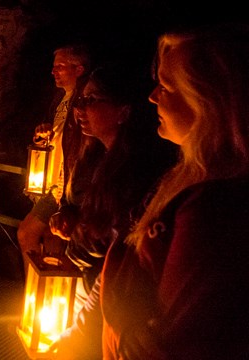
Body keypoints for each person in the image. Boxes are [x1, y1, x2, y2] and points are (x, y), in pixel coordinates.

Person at [100, 24, 249, 359]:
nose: (152, 96)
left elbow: (184, 339)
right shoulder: (187, 180)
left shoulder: (214, 207)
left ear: (208, 101)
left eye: (166, 86)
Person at [48, 65, 178, 360]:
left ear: (123, 112)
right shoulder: (91, 155)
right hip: (88, 282)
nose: (80, 108)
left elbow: (120, 244)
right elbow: (78, 203)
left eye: (92, 100)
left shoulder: (139, 173)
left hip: (110, 297)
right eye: (81, 99)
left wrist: (84, 234)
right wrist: (68, 213)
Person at [17, 44, 92, 277]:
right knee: (51, 239)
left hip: (64, 186)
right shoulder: (61, 100)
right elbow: (59, 137)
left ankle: (36, 288)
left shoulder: (85, 101)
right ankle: (44, 293)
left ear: (79, 69)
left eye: (60, 66)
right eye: (53, 67)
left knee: (26, 232)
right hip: (53, 183)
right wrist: (45, 132)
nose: (54, 72)